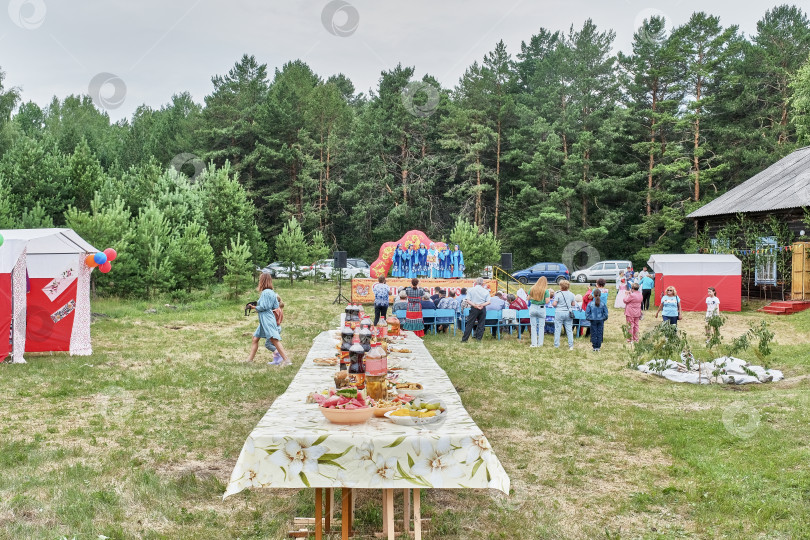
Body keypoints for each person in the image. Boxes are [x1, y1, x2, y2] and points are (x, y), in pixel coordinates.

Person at [246, 273, 291, 366]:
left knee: (274, 339)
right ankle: (249, 360)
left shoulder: (265, 292)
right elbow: (275, 305)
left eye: (260, 280)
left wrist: (254, 307)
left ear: (263, 281)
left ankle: (286, 360)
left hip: (267, 319)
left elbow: (264, 306)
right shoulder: (272, 292)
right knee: (255, 338)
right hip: (265, 319)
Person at [461, 277, 490, 342]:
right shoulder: (486, 291)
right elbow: (488, 302)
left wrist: (475, 305)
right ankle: (478, 339)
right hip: (482, 308)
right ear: (482, 283)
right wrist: (481, 305)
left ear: (476, 282)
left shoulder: (470, 290)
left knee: (470, 324)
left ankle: (464, 339)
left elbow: (468, 300)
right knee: (481, 324)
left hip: (474, 308)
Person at [553, 280, 576, 350]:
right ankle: (571, 345)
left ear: (561, 286)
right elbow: (573, 304)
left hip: (559, 312)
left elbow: (554, 304)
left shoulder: (558, 294)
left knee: (557, 329)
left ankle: (556, 345)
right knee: (569, 330)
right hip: (568, 313)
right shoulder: (572, 294)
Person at [527, 277, 551, 347]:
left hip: (533, 307)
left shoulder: (532, 288)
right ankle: (540, 344)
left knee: (533, 326)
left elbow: (528, 298)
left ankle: (534, 343)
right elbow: (547, 301)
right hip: (541, 308)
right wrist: (542, 300)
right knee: (541, 327)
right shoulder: (546, 291)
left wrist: (534, 298)